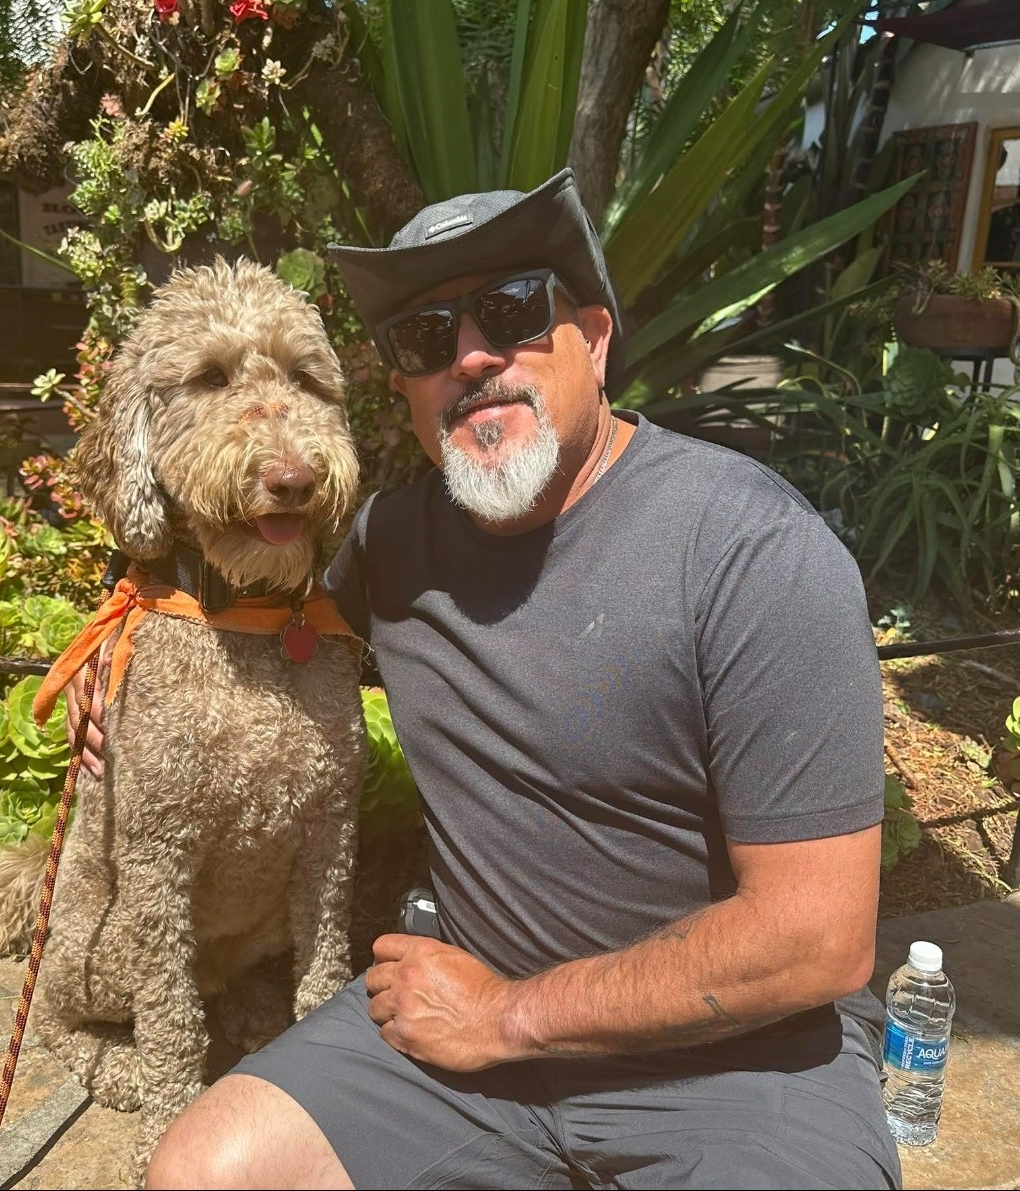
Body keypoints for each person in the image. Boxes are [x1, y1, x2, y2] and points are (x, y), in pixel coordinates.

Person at [69, 169, 901, 1190]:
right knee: (205, 1173)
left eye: (511, 310)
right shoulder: (389, 544)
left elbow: (816, 940)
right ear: (405, 389)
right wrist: (114, 653)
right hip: (455, 1028)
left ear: (595, 338)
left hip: (732, 1059)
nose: (470, 355)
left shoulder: (753, 550)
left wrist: (511, 1017)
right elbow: (236, 594)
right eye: (427, 337)